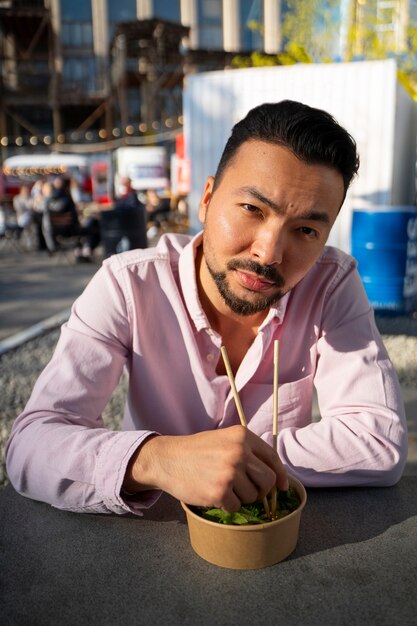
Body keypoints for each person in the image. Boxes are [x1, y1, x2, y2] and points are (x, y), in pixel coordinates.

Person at [5, 100, 407, 517]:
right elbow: (31, 445)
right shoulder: (129, 284)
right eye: (252, 209)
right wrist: (159, 460)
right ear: (208, 199)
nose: (269, 253)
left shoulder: (330, 284)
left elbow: (379, 439)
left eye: (306, 230)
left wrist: (237, 462)